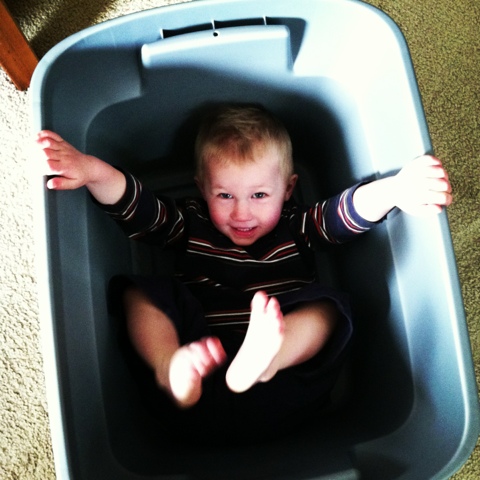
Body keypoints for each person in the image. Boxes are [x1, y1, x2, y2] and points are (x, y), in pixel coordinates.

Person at [36, 104, 452, 442]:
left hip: (281, 383)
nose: (241, 213)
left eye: (259, 195)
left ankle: (266, 358)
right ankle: (169, 368)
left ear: (288, 190)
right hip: (199, 371)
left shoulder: (296, 227)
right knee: (141, 293)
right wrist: (93, 171)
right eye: (224, 195)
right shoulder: (190, 225)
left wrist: (396, 189)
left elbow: (346, 211)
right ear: (202, 189)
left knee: (328, 309)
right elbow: (138, 208)